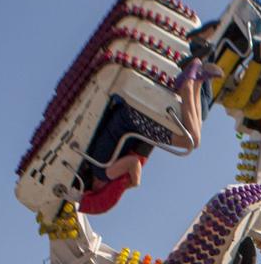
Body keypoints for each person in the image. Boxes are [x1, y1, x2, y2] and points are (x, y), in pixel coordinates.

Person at [78, 26, 224, 215]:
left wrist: (133, 183)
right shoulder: (95, 161)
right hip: (129, 119)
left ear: (96, 187)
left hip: (132, 120)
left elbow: (133, 162)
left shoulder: (102, 173)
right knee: (194, 134)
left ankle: (190, 84)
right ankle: (196, 82)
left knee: (191, 142)